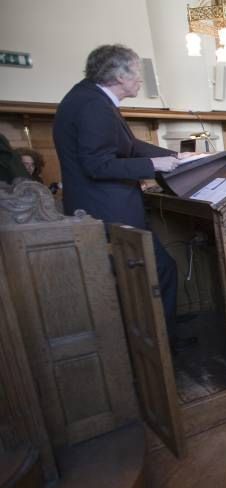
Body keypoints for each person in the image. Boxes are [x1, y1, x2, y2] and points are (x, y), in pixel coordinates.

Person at [52, 44, 188, 347]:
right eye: (137, 72)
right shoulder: (93, 105)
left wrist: (178, 158)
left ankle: (159, 343)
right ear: (118, 75)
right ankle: (161, 349)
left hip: (108, 209)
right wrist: (154, 165)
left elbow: (128, 146)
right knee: (157, 273)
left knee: (155, 274)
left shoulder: (90, 97)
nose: (140, 79)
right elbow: (98, 164)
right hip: (110, 213)